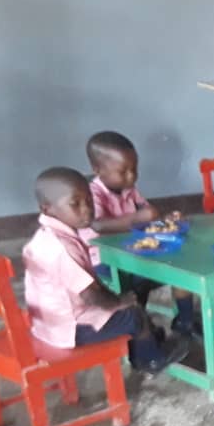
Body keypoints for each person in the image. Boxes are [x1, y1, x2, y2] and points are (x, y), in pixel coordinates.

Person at [22, 167, 186, 372]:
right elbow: (91, 295)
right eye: (75, 204)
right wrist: (118, 302)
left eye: (88, 201)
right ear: (47, 209)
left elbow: (88, 285)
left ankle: (144, 343)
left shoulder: (46, 237)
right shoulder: (63, 248)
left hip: (48, 324)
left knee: (125, 304)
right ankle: (151, 359)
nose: (86, 209)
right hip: (71, 329)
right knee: (134, 315)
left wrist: (116, 301)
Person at [85, 131, 197, 336]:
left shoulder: (129, 189)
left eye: (134, 169)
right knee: (139, 282)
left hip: (133, 251)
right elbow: (98, 225)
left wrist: (166, 219)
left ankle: (185, 321)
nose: (131, 176)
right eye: (123, 171)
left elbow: (148, 215)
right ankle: (141, 329)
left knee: (179, 265)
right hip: (105, 260)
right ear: (98, 170)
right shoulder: (94, 193)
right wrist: (138, 218)